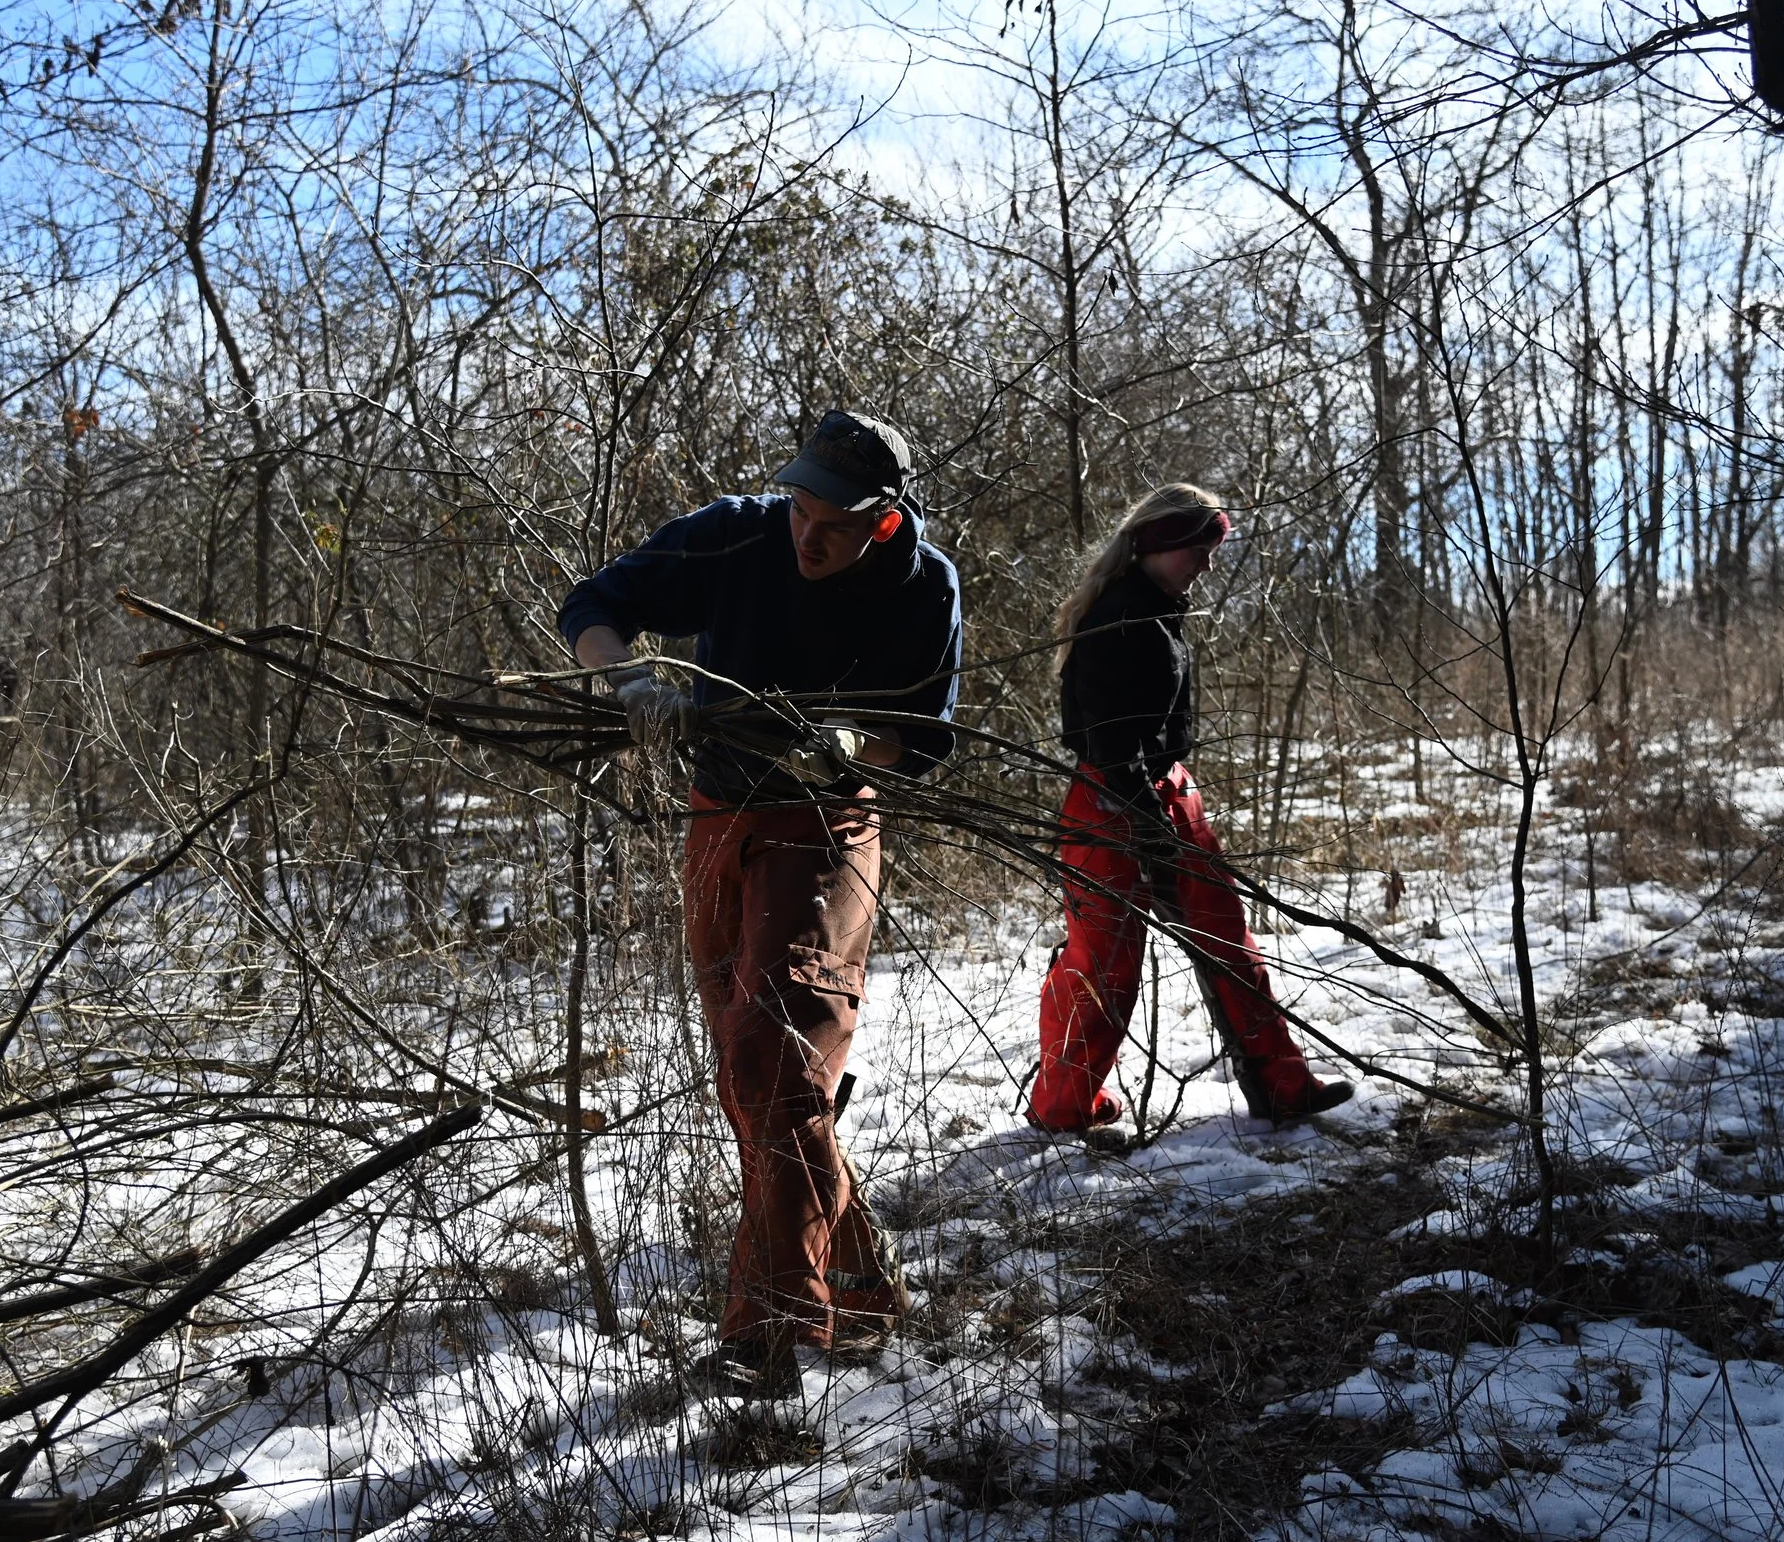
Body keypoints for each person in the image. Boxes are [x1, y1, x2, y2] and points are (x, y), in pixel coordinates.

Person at [559, 409, 961, 1397]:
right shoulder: (738, 529)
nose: (804, 533)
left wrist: (848, 746)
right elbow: (592, 606)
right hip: (718, 822)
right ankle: (858, 1278)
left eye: (831, 521)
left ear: (883, 520)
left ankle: (769, 1336)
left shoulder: (925, 585)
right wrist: (628, 682)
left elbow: (921, 736)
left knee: (770, 1056)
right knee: (759, 1084)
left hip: (827, 830)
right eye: (799, 506)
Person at [1029, 483, 1353, 1138]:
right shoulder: (1115, 615)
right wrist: (1144, 820)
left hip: (1172, 793)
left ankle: (1282, 1085)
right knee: (1103, 964)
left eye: (1210, 551)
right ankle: (1062, 1108)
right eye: (1195, 550)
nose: (1205, 565)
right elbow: (1107, 735)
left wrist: (1165, 809)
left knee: (1230, 942)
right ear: (1155, 544)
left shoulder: (1161, 606)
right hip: (1108, 802)